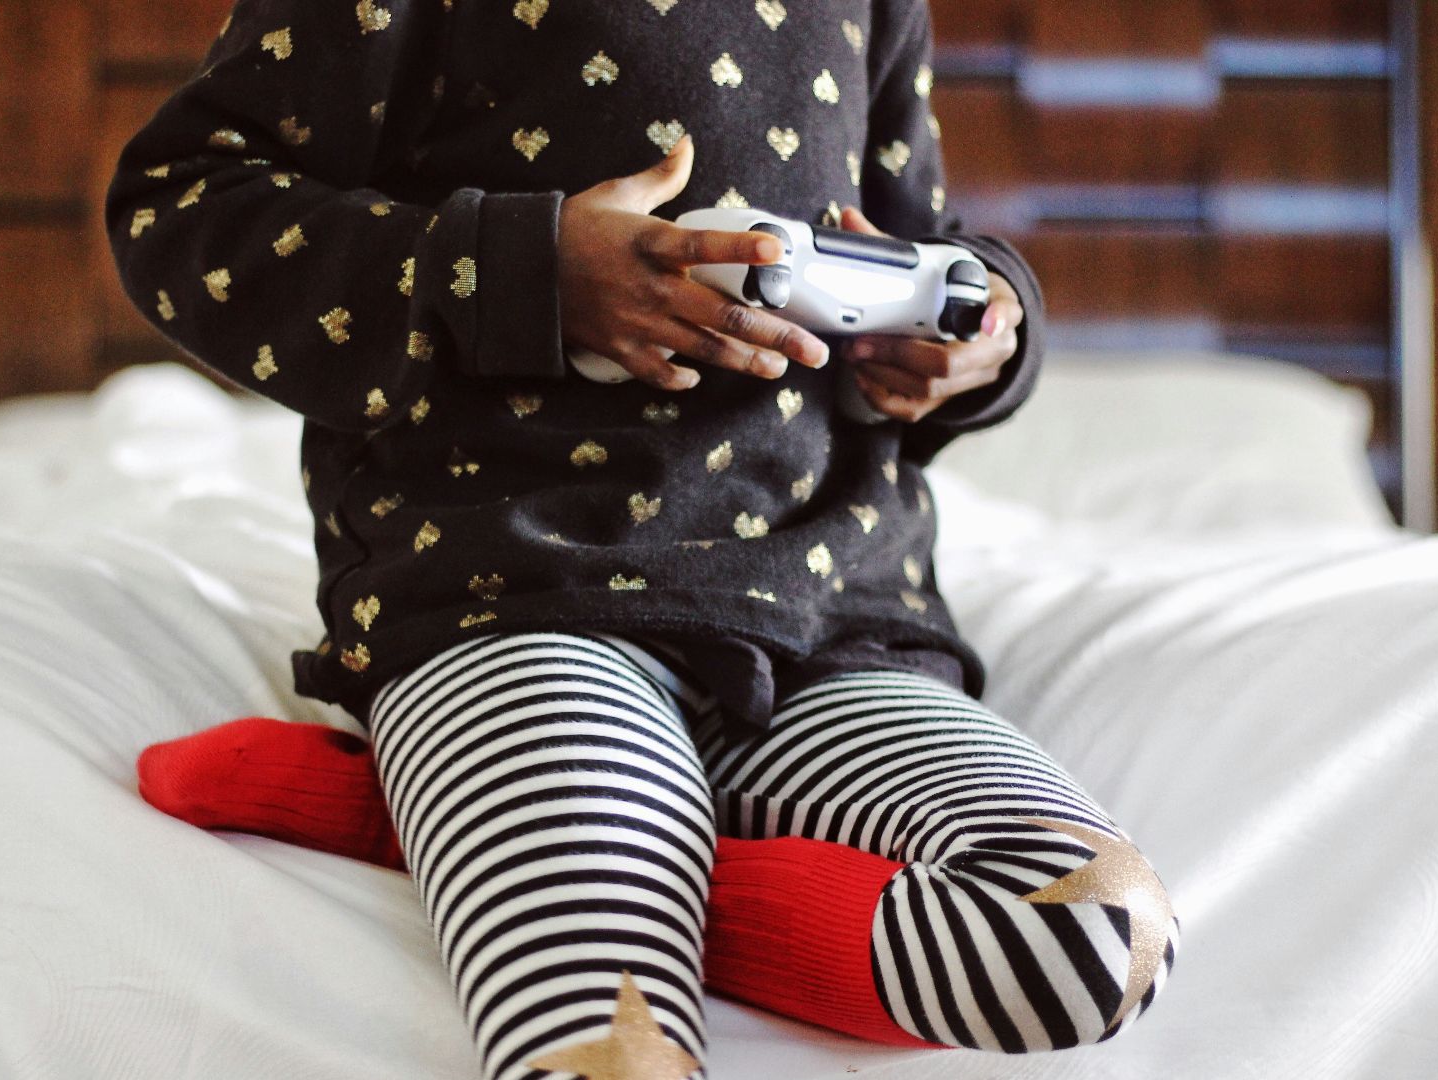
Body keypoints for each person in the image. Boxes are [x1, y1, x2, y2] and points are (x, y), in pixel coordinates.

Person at [106, 2, 1178, 1078]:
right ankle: (489, 809)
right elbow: (180, 212)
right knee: (612, 1057)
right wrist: (530, 273)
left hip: (833, 619)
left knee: (1096, 933)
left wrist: (984, 336)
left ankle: (420, 830)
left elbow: (913, 244)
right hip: (515, 600)